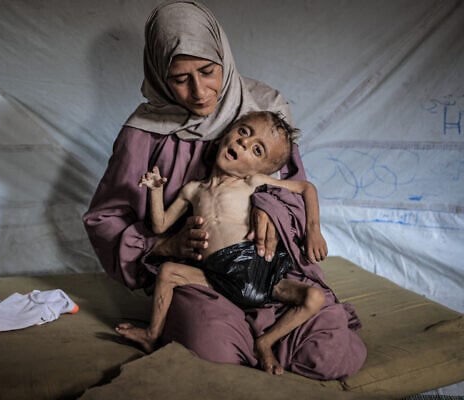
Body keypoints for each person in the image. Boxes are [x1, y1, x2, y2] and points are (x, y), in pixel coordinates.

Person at [83, 1, 367, 380]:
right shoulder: (144, 131)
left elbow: (296, 189)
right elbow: (106, 219)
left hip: (270, 270)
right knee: (213, 352)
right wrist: (163, 246)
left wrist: (268, 207)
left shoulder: (265, 111)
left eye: (208, 71)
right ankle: (217, 333)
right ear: (158, 73)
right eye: (179, 78)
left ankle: (265, 338)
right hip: (204, 279)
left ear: (224, 58)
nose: (199, 92)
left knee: (329, 354)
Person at [116, 111, 327, 375]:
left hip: (260, 274)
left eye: (257, 150)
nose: (243, 142)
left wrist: (313, 230)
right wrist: (156, 190)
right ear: (225, 134)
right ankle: (152, 334)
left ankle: (265, 342)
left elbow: (307, 188)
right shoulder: (192, 189)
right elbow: (160, 226)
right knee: (168, 272)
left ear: (262, 169)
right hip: (217, 278)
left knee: (314, 297)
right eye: (244, 132)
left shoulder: (252, 182)